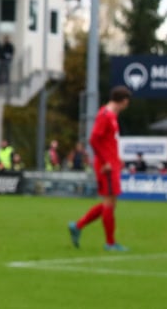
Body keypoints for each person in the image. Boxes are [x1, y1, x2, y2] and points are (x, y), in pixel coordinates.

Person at [68, 86, 131, 251]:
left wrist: (117, 158)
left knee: (110, 203)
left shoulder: (110, 115)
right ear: (123, 101)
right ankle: (109, 243)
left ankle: (78, 226)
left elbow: (108, 142)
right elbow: (94, 140)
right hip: (106, 167)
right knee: (109, 203)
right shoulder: (105, 115)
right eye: (127, 103)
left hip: (111, 163)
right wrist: (105, 162)